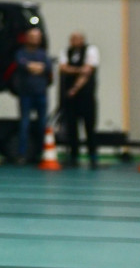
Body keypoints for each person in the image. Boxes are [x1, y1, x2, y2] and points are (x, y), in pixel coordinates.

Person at [58, 31, 100, 169]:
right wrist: (79, 70)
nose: (75, 41)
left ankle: (93, 156)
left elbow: (87, 72)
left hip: (86, 96)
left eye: (78, 38)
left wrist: (75, 88)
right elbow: (63, 68)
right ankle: (74, 156)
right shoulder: (66, 52)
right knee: (72, 128)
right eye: (72, 39)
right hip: (70, 99)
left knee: (89, 127)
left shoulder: (91, 50)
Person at [14, 28, 52, 165]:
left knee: (42, 124)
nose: (35, 39)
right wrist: (35, 67)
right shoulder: (21, 53)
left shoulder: (43, 54)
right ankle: (22, 154)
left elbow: (46, 67)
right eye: (32, 37)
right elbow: (24, 65)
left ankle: (43, 153)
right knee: (24, 124)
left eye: (37, 37)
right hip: (26, 94)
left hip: (40, 93)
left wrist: (33, 67)